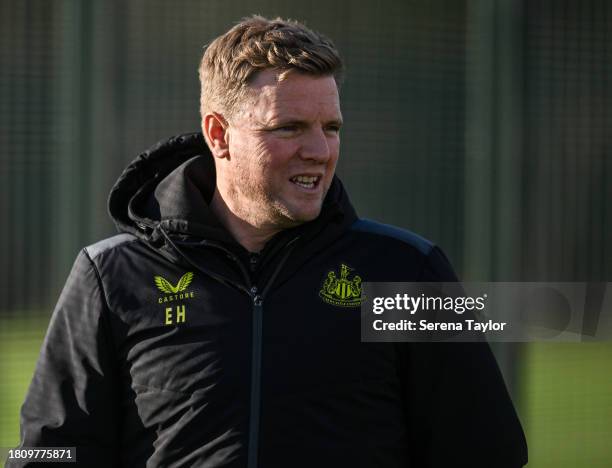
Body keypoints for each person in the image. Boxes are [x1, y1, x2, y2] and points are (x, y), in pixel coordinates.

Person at [10, 15, 527, 467]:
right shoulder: (110, 275)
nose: (320, 150)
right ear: (218, 134)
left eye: (332, 126)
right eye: (289, 127)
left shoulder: (409, 269)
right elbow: (47, 449)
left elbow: (487, 450)